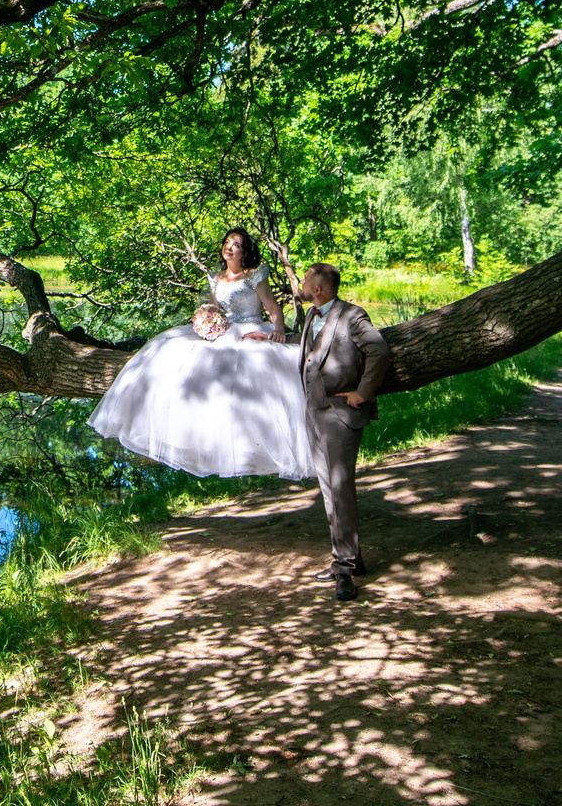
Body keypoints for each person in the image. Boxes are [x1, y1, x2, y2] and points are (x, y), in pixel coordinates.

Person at [89, 227, 314, 480]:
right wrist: (207, 325)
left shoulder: (254, 275)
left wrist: (279, 331)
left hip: (251, 329)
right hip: (224, 331)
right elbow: (215, 310)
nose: (229, 247)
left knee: (250, 373)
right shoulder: (216, 278)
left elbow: (273, 308)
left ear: (245, 251)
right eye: (227, 242)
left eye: (236, 244)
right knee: (172, 352)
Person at [294, 261, 393, 601]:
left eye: (306, 279)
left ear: (317, 289)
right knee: (328, 491)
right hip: (315, 412)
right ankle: (348, 559)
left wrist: (363, 392)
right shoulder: (311, 315)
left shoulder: (352, 315)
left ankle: (346, 570)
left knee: (340, 488)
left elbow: (378, 349)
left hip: (340, 415)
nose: (302, 283)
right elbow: (311, 353)